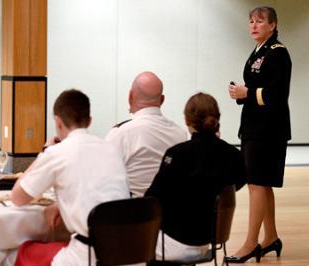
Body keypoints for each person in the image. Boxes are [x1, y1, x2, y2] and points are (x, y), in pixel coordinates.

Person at [11, 89, 130, 266]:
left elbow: (17, 198)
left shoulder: (56, 153)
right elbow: (100, 190)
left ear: (58, 122)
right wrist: (60, 203)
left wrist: (43, 154)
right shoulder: (110, 149)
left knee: (19, 253)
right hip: (130, 251)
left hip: (89, 256)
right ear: (89, 121)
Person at [145, 92, 246, 261]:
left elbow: (153, 198)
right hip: (211, 238)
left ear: (187, 120)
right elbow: (235, 187)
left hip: (174, 241)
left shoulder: (176, 154)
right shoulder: (233, 155)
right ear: (217, 118)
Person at [226, 6, 291, 263]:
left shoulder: (278, 53)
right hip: (255, 127)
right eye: (251, 21)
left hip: (268, 130)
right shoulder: (258, 52)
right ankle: (271, 237)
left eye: (260, 21)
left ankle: (251, 243)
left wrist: (247, 94)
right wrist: (240, 93)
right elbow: (256, 88)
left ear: (272, 25)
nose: (253, 25)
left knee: (256, 184)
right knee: (261, 184)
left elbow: (276, 94)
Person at [105, 71, 188, 197]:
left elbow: (103, 180)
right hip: (171, 214)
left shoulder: (120, 134)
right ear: (162, 100)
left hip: (131, 213)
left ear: (130, 97)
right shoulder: (180, 134)